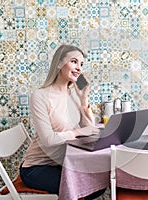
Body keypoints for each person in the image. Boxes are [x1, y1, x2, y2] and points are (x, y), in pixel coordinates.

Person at [20, 44, 106, 199]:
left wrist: (83, 98)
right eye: (74, 61)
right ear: (59, 63)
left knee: (98, 184)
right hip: (37, 167)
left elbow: (90, 129)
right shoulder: (40, 96)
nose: (79, 68)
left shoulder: (73, 93)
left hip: (63, 162)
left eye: (81, 64)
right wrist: (79, 132)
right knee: (85, 186)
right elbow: (48, 140)